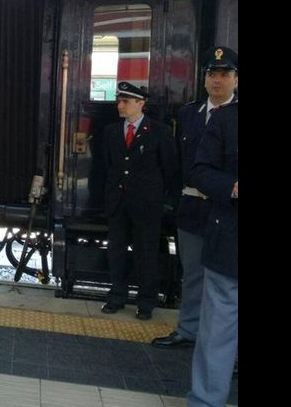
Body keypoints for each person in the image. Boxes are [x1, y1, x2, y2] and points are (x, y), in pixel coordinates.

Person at [153, 47, 238, 348]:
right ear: (204, 80)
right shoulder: (188, 114)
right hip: (191, 205)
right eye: (212, 75)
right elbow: (177, 161)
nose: (217, 80)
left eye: (224, 74)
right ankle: (188, 330)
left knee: (228, 279)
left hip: (227, 210)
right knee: (192, 273)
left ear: (236, 80)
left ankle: (228, 346)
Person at [100, 82, 177, 320]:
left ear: (140, 103)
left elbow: (170, 169)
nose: (120, 106)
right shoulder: (111, 131)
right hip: (118, 203)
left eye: (125, 101)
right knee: (116, 251)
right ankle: (117, 296)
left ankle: (146, 301)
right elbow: (106, 167)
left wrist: (167, 202)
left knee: (146, 252)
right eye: (119, 101)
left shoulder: (159, 131)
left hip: (146, 205)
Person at [186, 98, 238, 407]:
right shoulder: (225, 120)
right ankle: (205, 402)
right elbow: (200, 172)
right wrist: (233, 187)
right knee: (217, 330)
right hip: (230, 239)